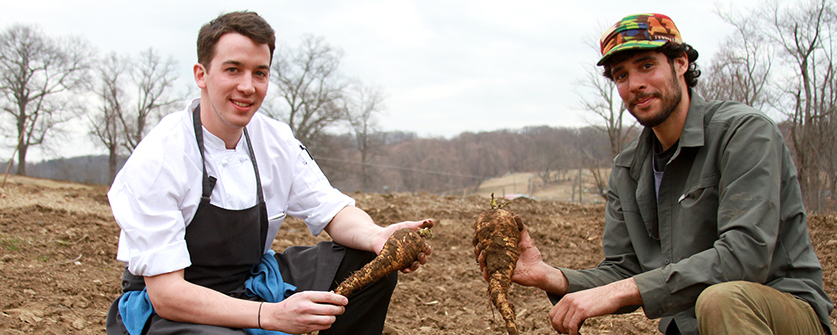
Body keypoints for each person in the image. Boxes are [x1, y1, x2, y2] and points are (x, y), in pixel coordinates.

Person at [476, 13, 833, 335]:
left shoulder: (743, 134)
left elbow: (745, 257)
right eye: (621, 75)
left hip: (778, 314)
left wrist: (622, 291)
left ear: (681, 63)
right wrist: (549, 276)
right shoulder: (628, 169)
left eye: (646, 66)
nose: (634, 84)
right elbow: (623, 271)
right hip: (689, 326)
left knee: (721, 300)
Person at [105, 11, 434, 335]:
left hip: (250, 281)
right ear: (201, 75)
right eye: (233, 70)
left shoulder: (275, 141)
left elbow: (333, 210)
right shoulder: (161, 157)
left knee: (368, 264)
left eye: (259, 73)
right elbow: (167, 295)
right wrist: (271, 316)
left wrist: (376, 236)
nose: (247, 86)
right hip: (177, 304)